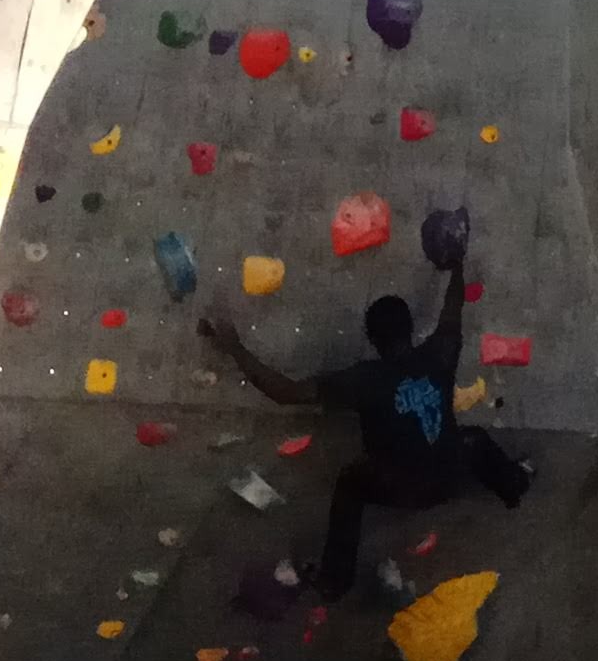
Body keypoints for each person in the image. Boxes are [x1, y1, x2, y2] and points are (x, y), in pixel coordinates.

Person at [200, 222, 528, 604]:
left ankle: (334, 579)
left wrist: (236, 348)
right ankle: (514, 484)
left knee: (349, 484)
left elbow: (286, 392)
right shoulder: (439, 353)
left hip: (401, 487)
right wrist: (455, 265)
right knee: (475, 439)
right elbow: (453, 311)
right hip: (449, 472)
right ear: (410, 329)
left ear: (373, 340)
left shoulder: (364, 380)